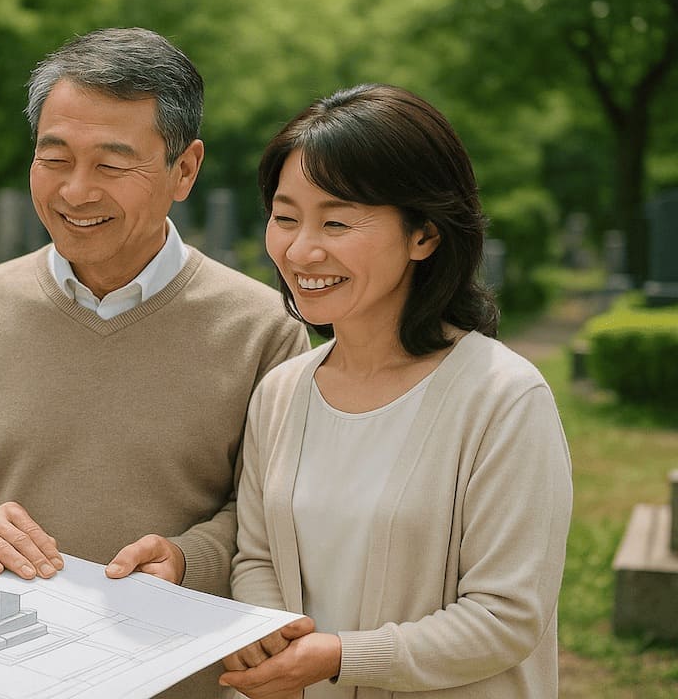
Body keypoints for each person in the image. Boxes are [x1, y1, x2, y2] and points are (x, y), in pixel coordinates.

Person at [0, 27, 308, 698]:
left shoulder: (263, 328)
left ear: (185, 170)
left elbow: (269, 509)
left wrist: (188, 559)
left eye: (112, 166)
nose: (76, 192)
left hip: (174, 677)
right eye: (54, 159)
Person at [220, 84, 573, 698]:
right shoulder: (281, 392)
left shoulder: (504, 399)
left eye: (336, 222)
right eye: (285, 217)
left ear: (424, 235)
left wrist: (342, 657)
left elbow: (507, 616)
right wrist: (274, 638)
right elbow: (257, 556)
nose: (301, 249)